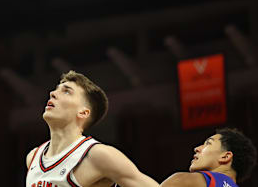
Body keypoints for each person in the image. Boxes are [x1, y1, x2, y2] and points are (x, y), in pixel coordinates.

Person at [26, 70, 160, 187]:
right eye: (56, 89)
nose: (52, 93)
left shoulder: (99, 155)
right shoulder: (33, 157)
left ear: (83, 112)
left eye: (66, 91)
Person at [160, 128, 257, 187]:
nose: (197, 148)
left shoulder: (195, 181)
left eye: (208, 144)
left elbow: (178, 180)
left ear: (225, 156)